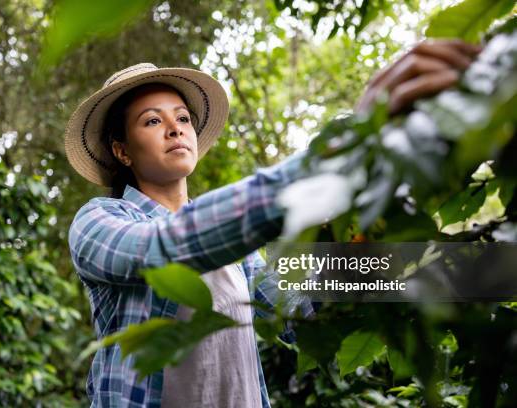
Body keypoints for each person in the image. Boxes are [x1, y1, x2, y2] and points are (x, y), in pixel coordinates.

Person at [65, 40, 480, 408]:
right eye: (153, 121)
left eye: (183, 118)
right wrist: (340, 154)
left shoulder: (236, 252)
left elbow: (299, 313)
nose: (175, 128)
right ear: (122, 151)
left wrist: (358, 236)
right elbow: (166, 247)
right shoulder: (101, 221)